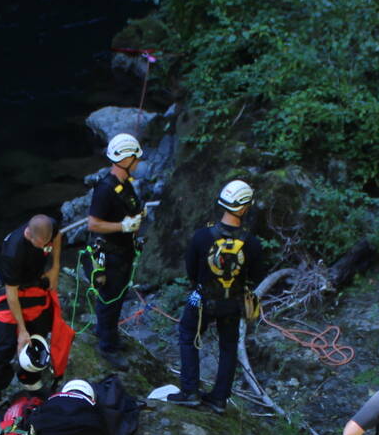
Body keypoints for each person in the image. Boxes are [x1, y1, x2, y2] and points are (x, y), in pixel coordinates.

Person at [168, 179, 267, 415]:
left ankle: (190, 391)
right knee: (228, 347)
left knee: (188, 336)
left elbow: (191, 270)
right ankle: (219, 398)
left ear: (224, 204)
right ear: (244, 207)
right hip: (232, 303)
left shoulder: (201, 237)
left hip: (201, 299)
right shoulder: (252, 244)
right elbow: (257, 275)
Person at [0, 214, 63, 428]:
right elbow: (11, 295)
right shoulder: (13, 251)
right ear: (29, 235)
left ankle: (30, 380)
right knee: (5, 344)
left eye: (47, 243)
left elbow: (58, 236)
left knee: (39, 336)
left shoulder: (49, 228)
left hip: (34, 284)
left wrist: (54, 268)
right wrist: (22, 331)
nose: (46, 246)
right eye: (41, 244)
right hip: (11, 292)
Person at [83, 134, 146, 365]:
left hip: (124, 252)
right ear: (126, 159)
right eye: (136, 159)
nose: (138, 163)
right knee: (109, 298)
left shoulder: (125, 185)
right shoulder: (105, 189)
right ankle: (107, 347)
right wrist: (122, 226)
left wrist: (136, 218)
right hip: (109, 254)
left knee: (118, 296)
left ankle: (108, 334)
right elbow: (93, 224)